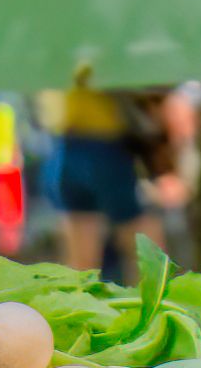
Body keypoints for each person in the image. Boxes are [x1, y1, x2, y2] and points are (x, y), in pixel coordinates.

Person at [39, 79, 145, 280]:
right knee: (81, 255)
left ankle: (157, 301)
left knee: (134, 234)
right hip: (66, 139)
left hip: (103, 137)